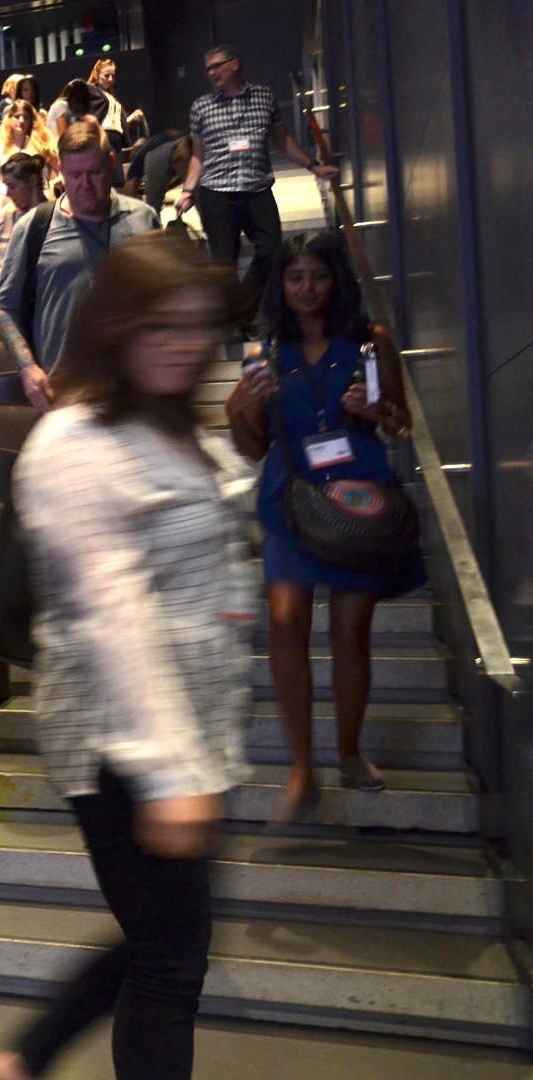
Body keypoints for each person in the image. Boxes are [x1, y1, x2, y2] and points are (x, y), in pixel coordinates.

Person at [0, 232, 249, 1080]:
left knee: (160, 943)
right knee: (170, 963)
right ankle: (19, 1061)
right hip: (125, 738)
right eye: (161, 323)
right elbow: (111, 610)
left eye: (199, 324)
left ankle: (14, 1065)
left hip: (192, 728)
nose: (184, 341)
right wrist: (168, 772)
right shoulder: (76, 442)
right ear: (116, 326)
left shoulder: (174, 425)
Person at [225, 232, 422, 818]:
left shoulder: (369, 343)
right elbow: (253, 448)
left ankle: (349, 751)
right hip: (290, 497)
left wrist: (375, 411)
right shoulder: (265, 354)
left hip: (359, 497)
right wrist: (236, 410)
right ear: (281, 287)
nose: (307, 288)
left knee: (351, 629)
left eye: (318, 276)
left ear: (335, 280)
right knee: (285, 622)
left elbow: (402, 425)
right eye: (295, 277)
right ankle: (301, 768)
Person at [0, 120, 161, 410]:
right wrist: (28, 368)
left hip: (136, 394)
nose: (84, 184)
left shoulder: (143, 219)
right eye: (75, 174)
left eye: (94, 173)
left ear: (110, 163)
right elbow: (5, 307)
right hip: (63, 397)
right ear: (60, 171)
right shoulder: (34, 228)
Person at [179, 45, 339, 326]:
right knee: (224, 263)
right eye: (207, 69)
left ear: (235, 64)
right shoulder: (201, 107)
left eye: (217, 65)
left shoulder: (264, 97)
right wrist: (188, 191)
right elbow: (197, 155)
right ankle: (233, 322)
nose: (211, 73)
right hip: (217, 192)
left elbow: (282, 139)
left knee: (271, 250)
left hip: (257, 188)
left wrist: (313, 166)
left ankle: (242, 312)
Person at [0, 152, 51, 341]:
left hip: (43, 315)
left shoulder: (54, 216)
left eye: (12, 186)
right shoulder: (5, 216)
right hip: (4, 316)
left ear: (32, 181)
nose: (7, 194)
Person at [0, 100, 60, 220]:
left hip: (37, 208)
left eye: (26, 117)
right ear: (9, 119)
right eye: (17, 116)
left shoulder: (42, 145)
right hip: (5, 207)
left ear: (31, 120)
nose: (21, 121)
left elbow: (55, 177)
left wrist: (51, 194)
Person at [89, 58, 145, 158]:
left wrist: (132, 117)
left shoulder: (110, 97)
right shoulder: (92, 93)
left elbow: (116, 125)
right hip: (103, 139)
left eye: (113, 76)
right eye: (106, 75)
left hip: (116, 140)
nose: (110, 79)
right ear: (97, 75)